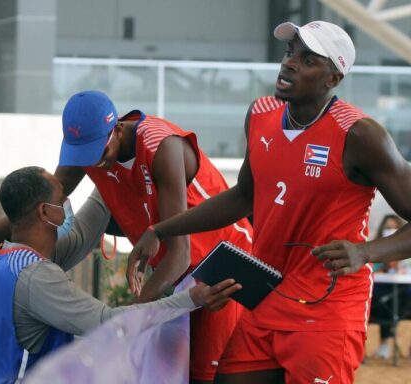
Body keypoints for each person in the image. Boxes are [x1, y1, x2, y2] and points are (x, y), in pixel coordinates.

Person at [128, 20, 411, 383]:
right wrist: (160, 230)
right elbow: (244, 197)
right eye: (291, 53)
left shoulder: (361, 135)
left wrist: (366, 252)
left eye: (308, 60)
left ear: (333, 79)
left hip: (329, 307)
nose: (289, 63)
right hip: (268, 298)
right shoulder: (261, 114)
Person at [55, 90, 254, 383]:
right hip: (178, 270)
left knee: (205, 373)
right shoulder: (90, 149)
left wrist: (126, 317)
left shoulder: (162, 147)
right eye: (84, 156)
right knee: (169, 368)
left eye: (99, 153)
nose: (94, 163)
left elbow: (179, 254)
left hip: (221, 259)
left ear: (117, 129)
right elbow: (36, 205)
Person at [0, 166, 240, 383]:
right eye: (62, 200)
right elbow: (107, 322)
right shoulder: (36, 276)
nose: (67, 205)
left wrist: (111, 176)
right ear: (45, 212)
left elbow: (82, 232)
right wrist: (190, 299)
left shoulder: (6, 261)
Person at [369, 214, 408, 359]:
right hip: (382, 294)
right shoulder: (373, 250)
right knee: (387, 299)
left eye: (394, 228)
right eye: (388, 228)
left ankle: (386, 344)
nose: (391, 231)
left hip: (404, 292)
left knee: (396, 297)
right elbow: (370, 270)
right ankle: (385, 343)